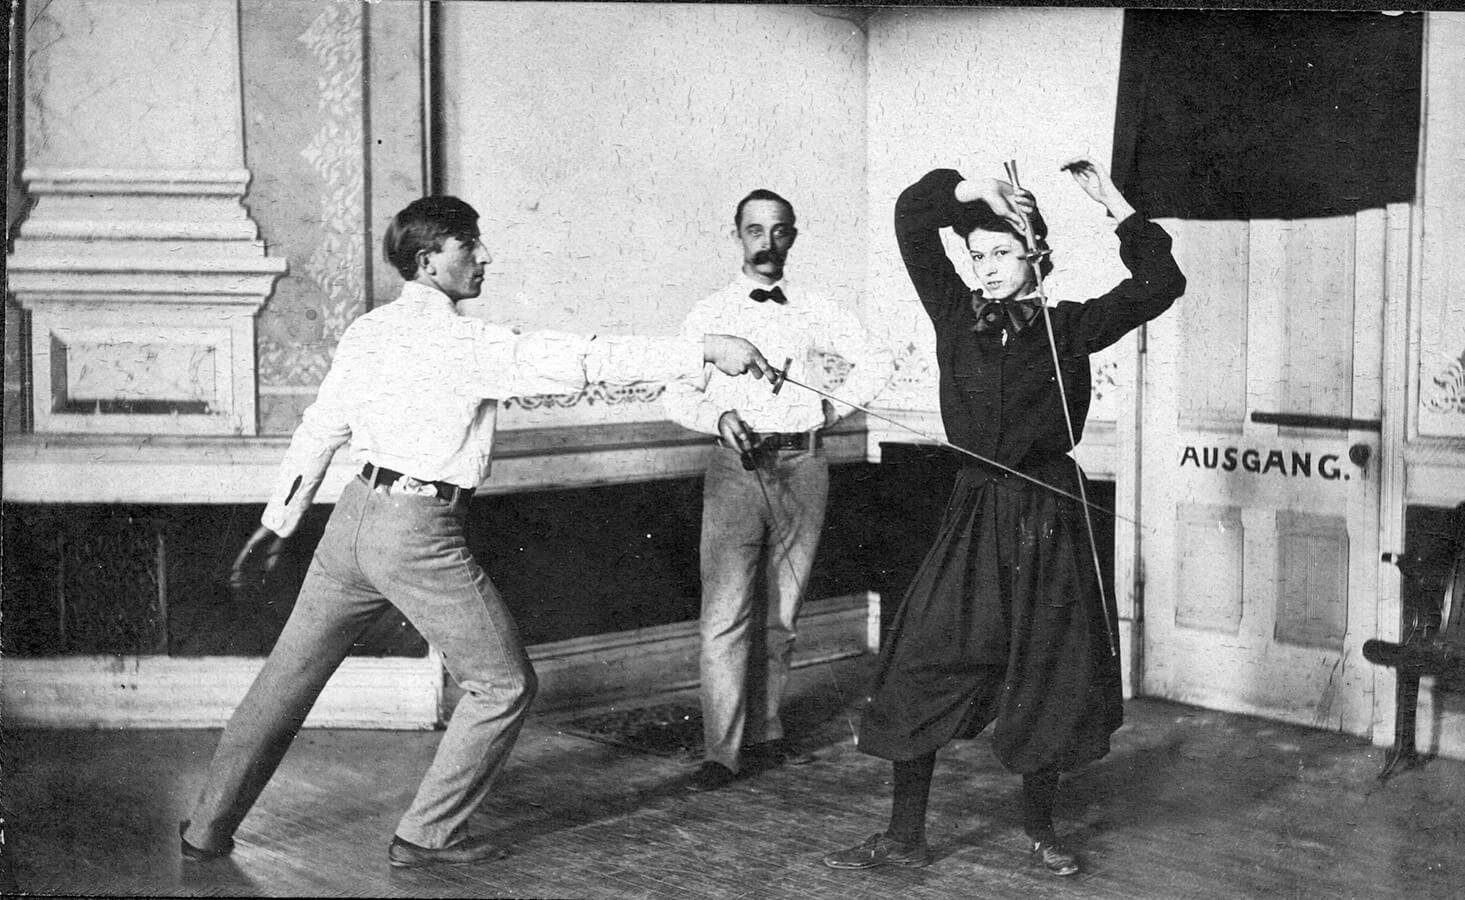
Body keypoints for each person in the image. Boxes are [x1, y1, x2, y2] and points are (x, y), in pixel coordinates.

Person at [179, 195, 773, 869]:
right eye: (471, 246)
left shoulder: (367, 331)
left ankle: (206, 829)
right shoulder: (468, 345)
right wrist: (706, 350)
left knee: (285, 679)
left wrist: (278, 522)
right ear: (430, 261)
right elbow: (586, 357)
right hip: (416, 531)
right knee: (503, 685)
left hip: (351, 521)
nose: (485, 256)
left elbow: (321, 430)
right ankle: (427, 835)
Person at [822, 157, 1185, 876]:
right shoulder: (954, 314)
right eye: (977, 253)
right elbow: (910, 219)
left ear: (1035, 257)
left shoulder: (1072, 327)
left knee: (1047, 672)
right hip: (976, 508)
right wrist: (968, 193)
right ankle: (902, 835)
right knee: (923, 658)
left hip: (1050, 514)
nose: (985, 267)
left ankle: (1041, 831)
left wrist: (1116, 207)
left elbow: (1160, 284)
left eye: (1000, 253)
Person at [663, 189, 894, 792]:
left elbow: (877, 361)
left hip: (805, 468)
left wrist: (824, 410)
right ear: (736, 235)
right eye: (755, 231)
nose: (767, 243)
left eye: (779, 231)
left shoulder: (817, 308)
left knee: (781, 616)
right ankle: (721, 752)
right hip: (736, 472)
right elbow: (675, 391)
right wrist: (718, 418)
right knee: (725, 615)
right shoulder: (709, 311)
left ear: (794, 236)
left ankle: (764, 735)